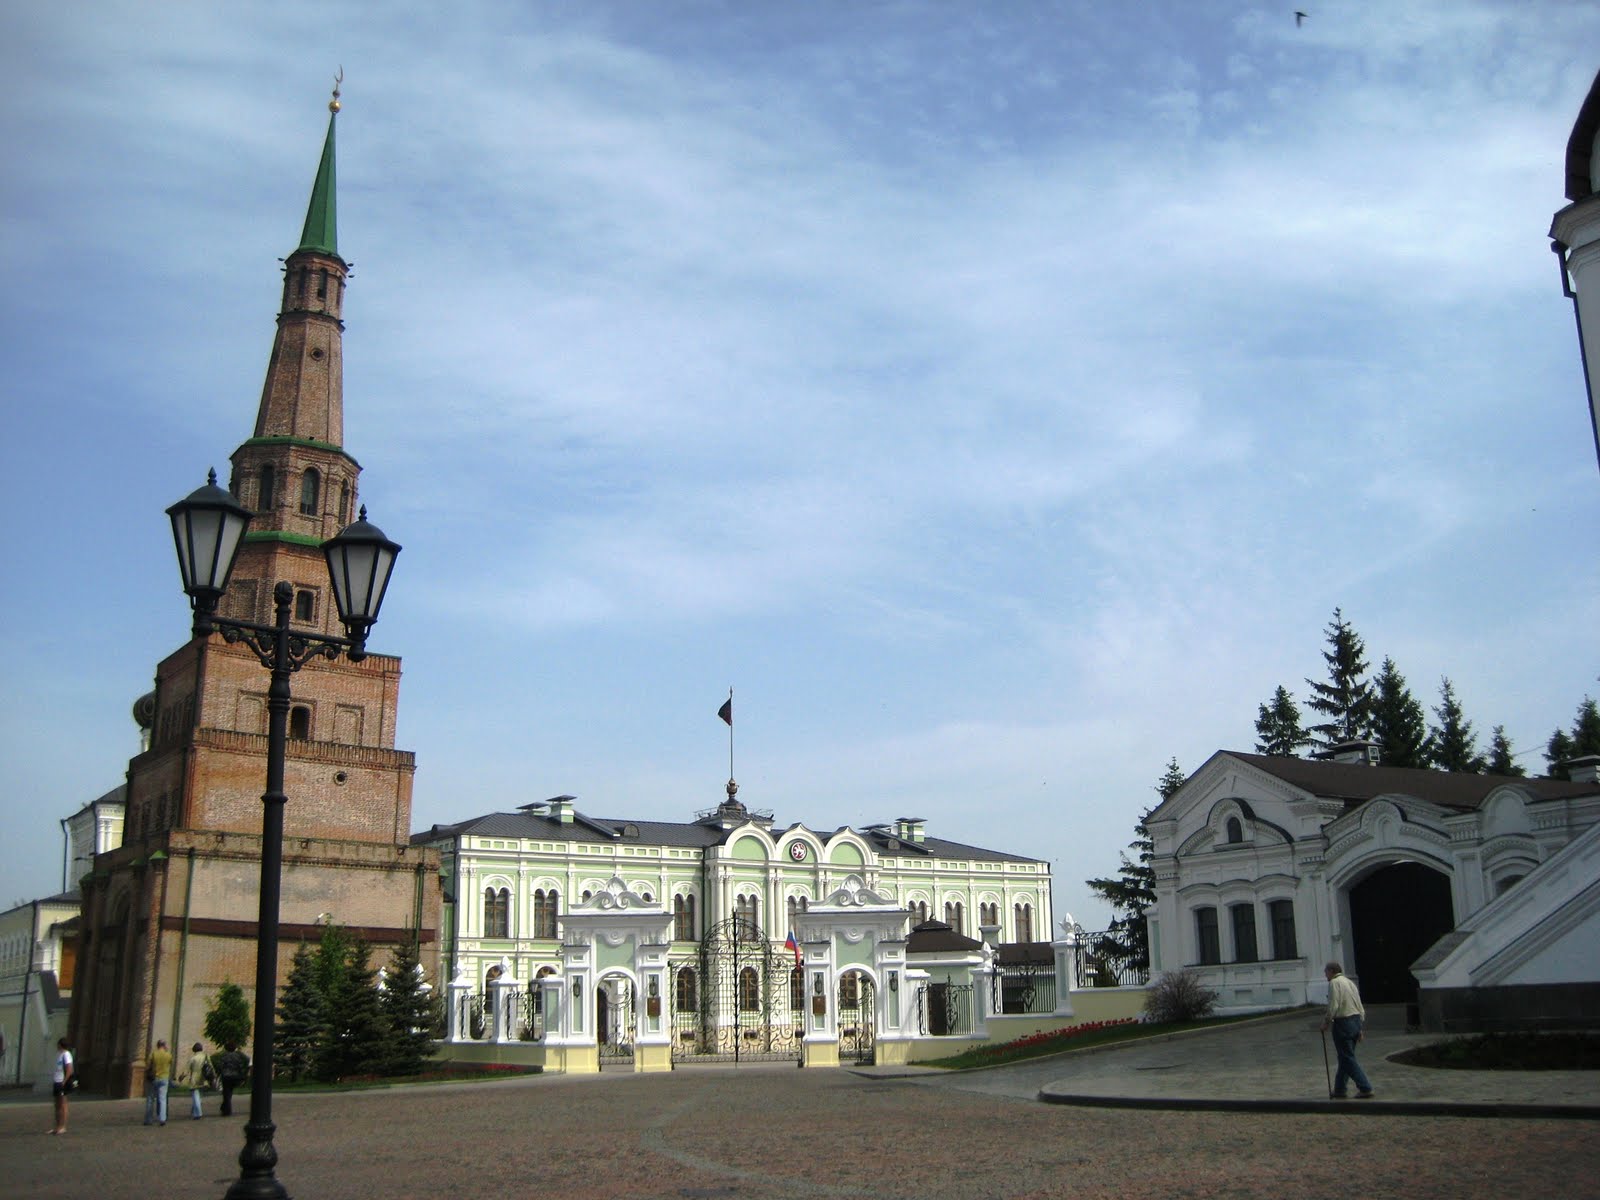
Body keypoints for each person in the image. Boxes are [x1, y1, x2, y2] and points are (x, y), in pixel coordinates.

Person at [1321, 961, 1374, 1098]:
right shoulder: (1349, 982)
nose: (1325, 974)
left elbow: (1333, 1005)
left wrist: (1326, 1022)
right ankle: (1340, 1089)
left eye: (1326, 971)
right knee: (1345, 1057)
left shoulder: (1334, 983)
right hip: (1355, 1020)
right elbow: (1358, 1004)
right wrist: (1360, 1027)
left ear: (1331, 971)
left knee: (1347, 1058)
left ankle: (1365, 1087)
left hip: (1343, 1022)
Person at [213, 1042, 249, 1117]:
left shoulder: (224, 1056)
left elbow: (220, 1066)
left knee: (226, 1093)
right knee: (229, 1092)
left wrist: (219, 1073)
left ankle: (226, 1109)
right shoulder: (238, 1055)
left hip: (226, 1076)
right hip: (235, 1076)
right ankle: (225, 1108)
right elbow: (246, 1060)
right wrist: (243, 1071)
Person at [144, 1039, 173, 1126]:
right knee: (162, 1099)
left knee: (150, 1099)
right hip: (164, 1078)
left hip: (153, 1078)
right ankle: (162, 1118)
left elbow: (148, 1066)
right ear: (164, 1045)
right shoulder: (168, 1055)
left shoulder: (153, 1054)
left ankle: (148, 1119)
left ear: (158, 1045)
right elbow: (170, 1063)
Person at [50, 1038, 73, 1135]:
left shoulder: (66, 1054)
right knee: (57, 1105)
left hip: (62, 1082)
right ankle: (57, 1126)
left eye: (58, 1044)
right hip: (57, 1081)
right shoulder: (59, 1054)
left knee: (62, 1105)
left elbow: (69, 1069)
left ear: (60, 1044)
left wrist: (64, 1081)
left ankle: (62, 1126)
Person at [181, 1042, 209, 1119]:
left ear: (194, 1050)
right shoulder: (206, 1057)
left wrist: (181, 1077)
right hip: (203, 1078)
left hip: (194, 1079)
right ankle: (194, 1111)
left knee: (195, 1096)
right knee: (199, 1097)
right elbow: (211, 1067)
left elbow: (186, 1071)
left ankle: (198, 1113)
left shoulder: (193, 1059)